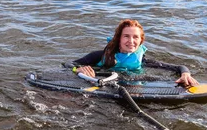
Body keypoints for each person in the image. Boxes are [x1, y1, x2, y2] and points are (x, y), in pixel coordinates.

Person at [68, 19, 199, 87]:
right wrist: (78, 69)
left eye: (135, 37)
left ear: (141, 41)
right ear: (118, 39)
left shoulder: (141, 61)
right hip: (104, 85)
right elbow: (68, 65)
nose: (131, 41)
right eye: (126, 36)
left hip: (132, 86)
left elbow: (177, 68)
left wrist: (185, 74)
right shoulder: (99, 56)